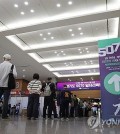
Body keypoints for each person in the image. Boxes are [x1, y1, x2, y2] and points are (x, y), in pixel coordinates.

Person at [0, 54, 17, 119]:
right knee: (6, 100)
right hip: (7, 86)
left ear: (3, 58)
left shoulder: (0, 65)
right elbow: (15, 75)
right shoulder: (12, 66)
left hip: (0, 84)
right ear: (10, 59)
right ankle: (4, 115)